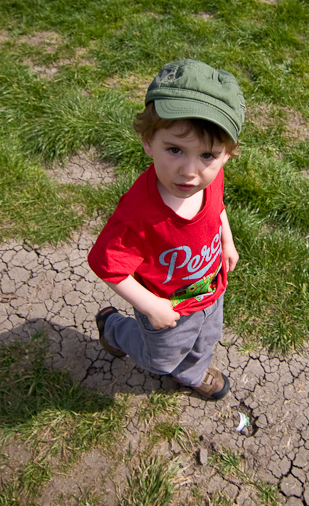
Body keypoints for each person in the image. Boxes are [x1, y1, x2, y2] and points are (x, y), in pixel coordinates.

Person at [87, 59, 245, 399]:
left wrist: (226, 241)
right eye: (175, 150)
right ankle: (113, 328)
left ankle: (193, 371)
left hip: (210, 290)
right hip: (166, 305)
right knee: (159, 360)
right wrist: (149, 305)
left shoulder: (210, 179)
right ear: (148, 141)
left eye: (207, 155)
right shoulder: (139, 214)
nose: (190, 171)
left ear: (226, 155)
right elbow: (106, 262)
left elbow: (218, 209)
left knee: (207, 336)